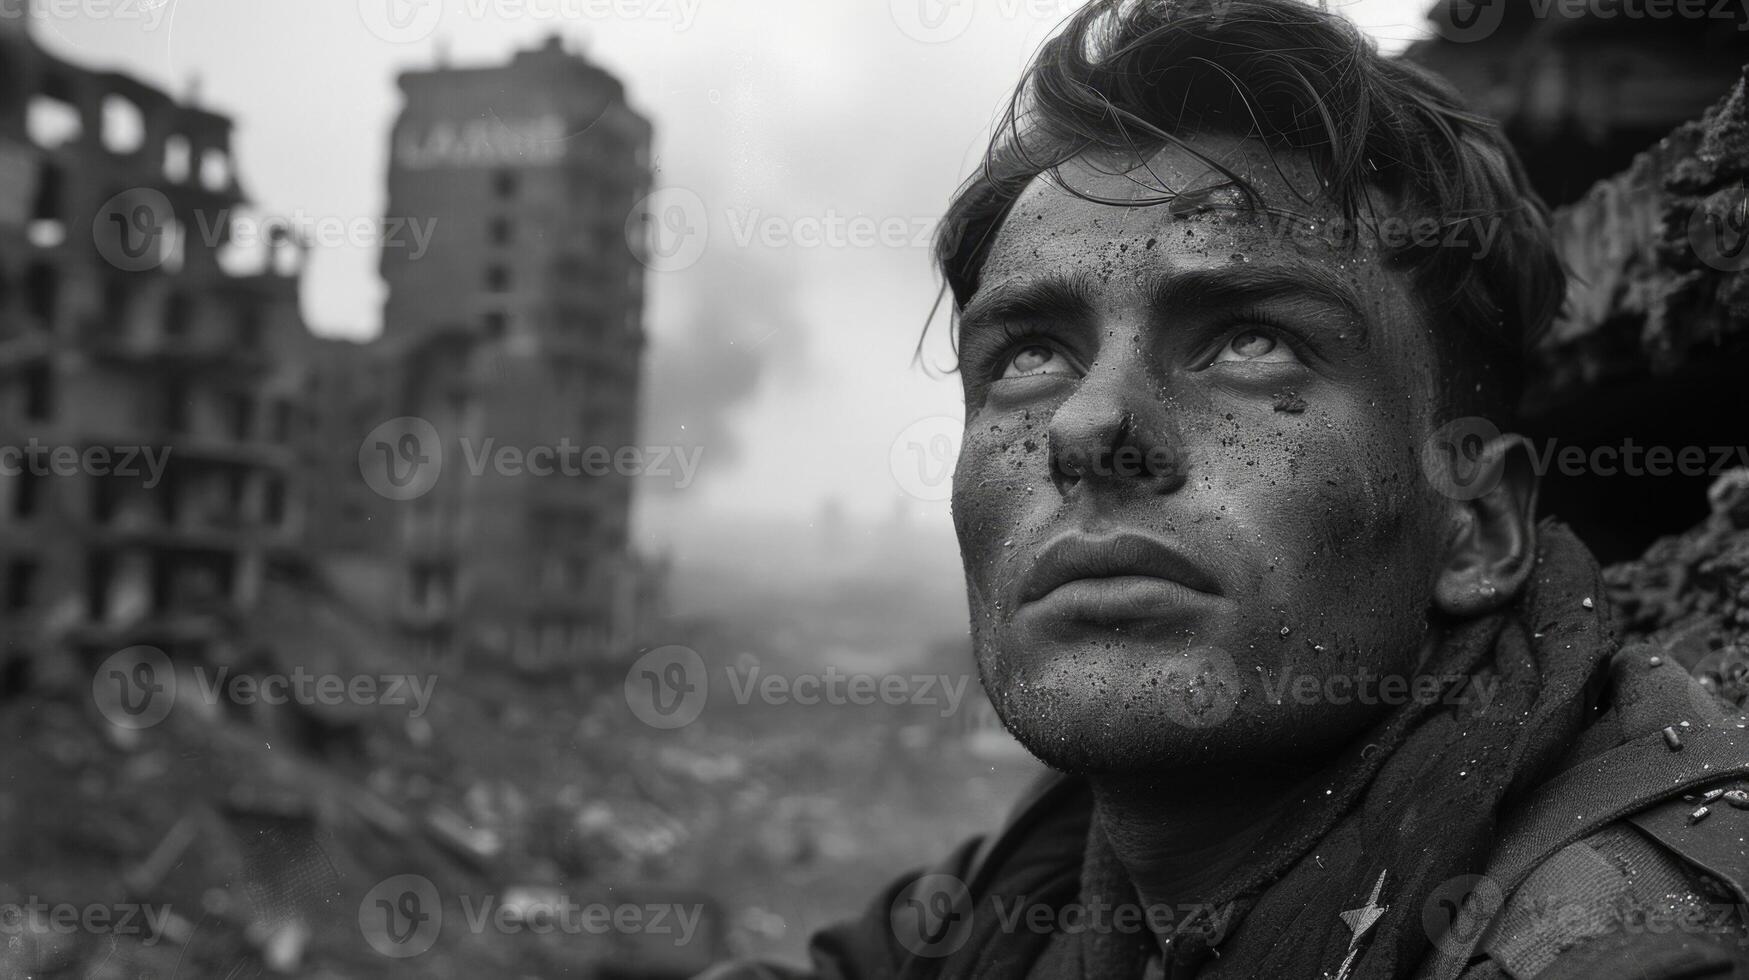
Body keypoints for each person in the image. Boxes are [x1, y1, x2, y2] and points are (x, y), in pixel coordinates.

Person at [706, 1, 1749, 976]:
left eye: (1251, 339)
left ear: (1474, 525)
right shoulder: (1045, 875)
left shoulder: (1633, 934)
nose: (1085, 427)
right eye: (1028, 357)